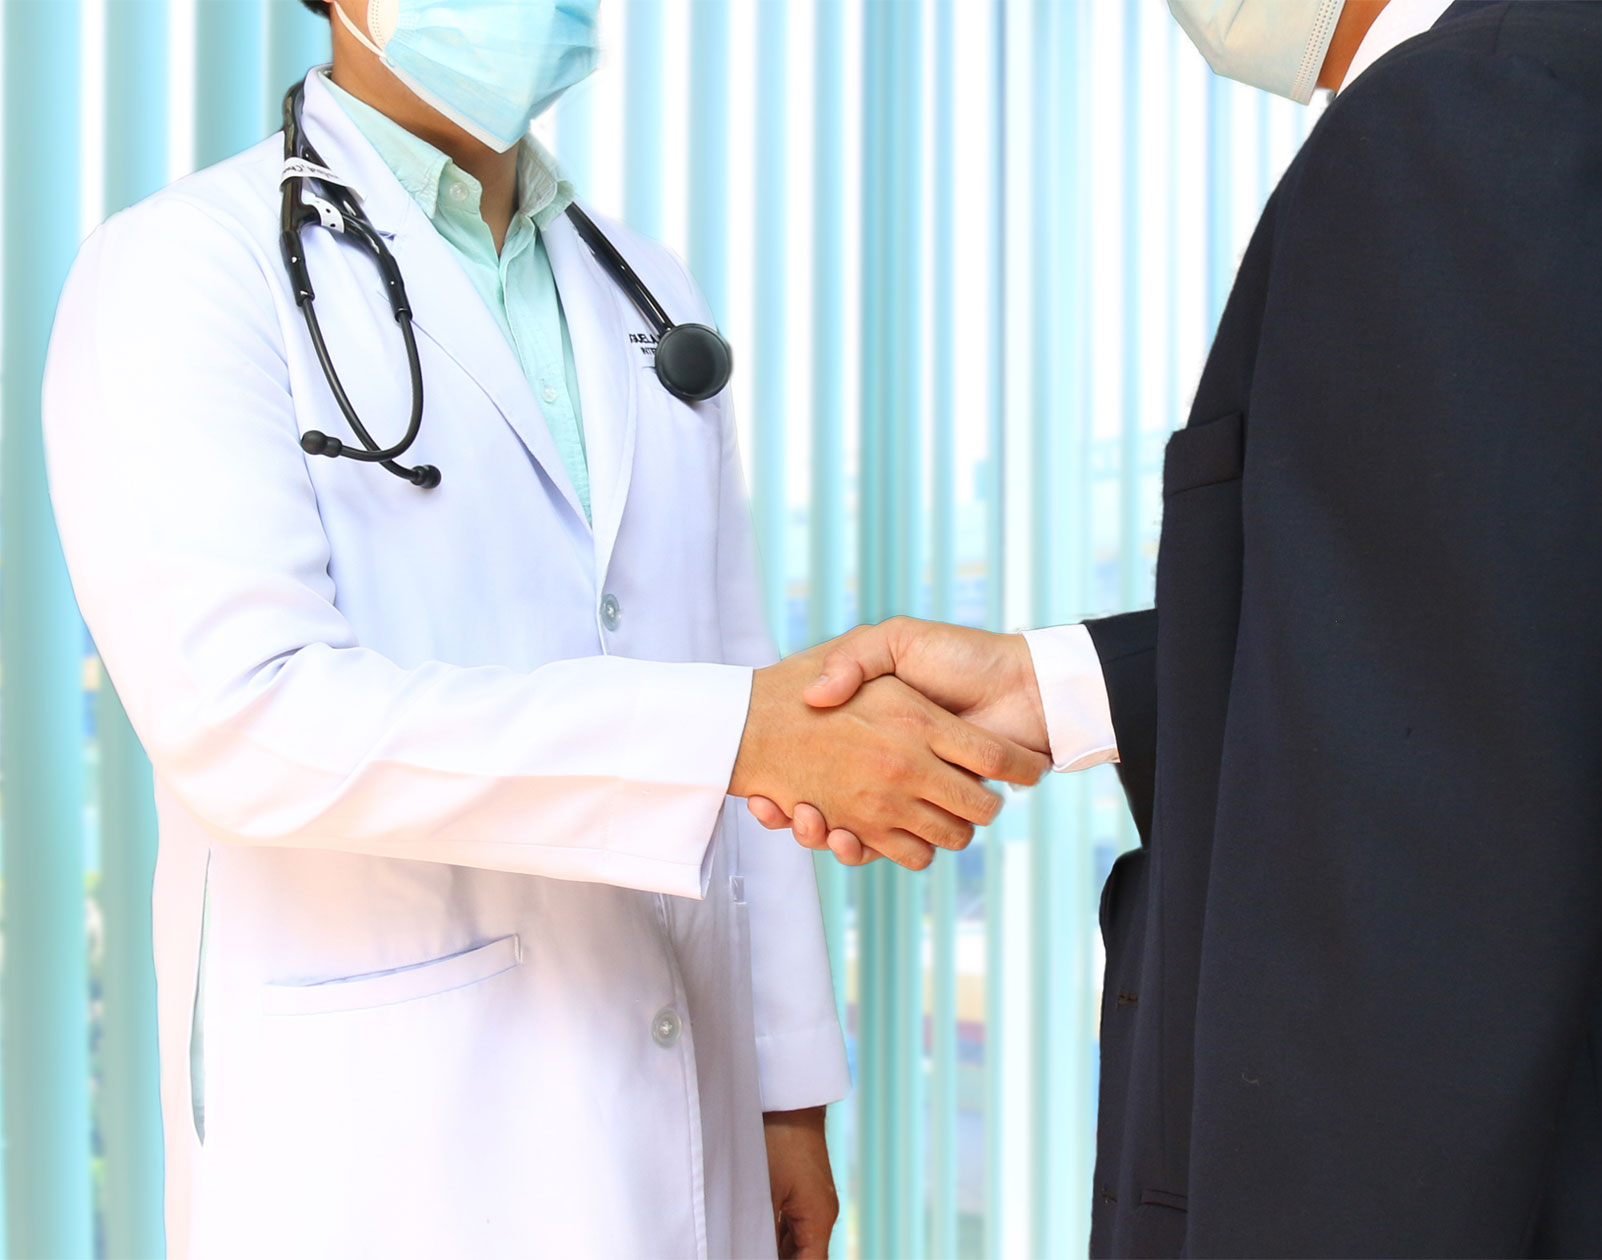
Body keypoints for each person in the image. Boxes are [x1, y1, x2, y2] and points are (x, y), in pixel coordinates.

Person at [755, 0, 1602, 1254]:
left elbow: (1415, 899)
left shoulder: (1474, 124)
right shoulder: (1599, 94)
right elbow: (1521, 633)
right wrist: (1075, 688)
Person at [43, 1, 1044, 1256]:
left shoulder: (641, 287)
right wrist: (728, 738)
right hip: (392, 1139)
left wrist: (785, 1085)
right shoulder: (183, 270)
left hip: (686, 1100)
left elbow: (743, 674)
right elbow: (250, 721)